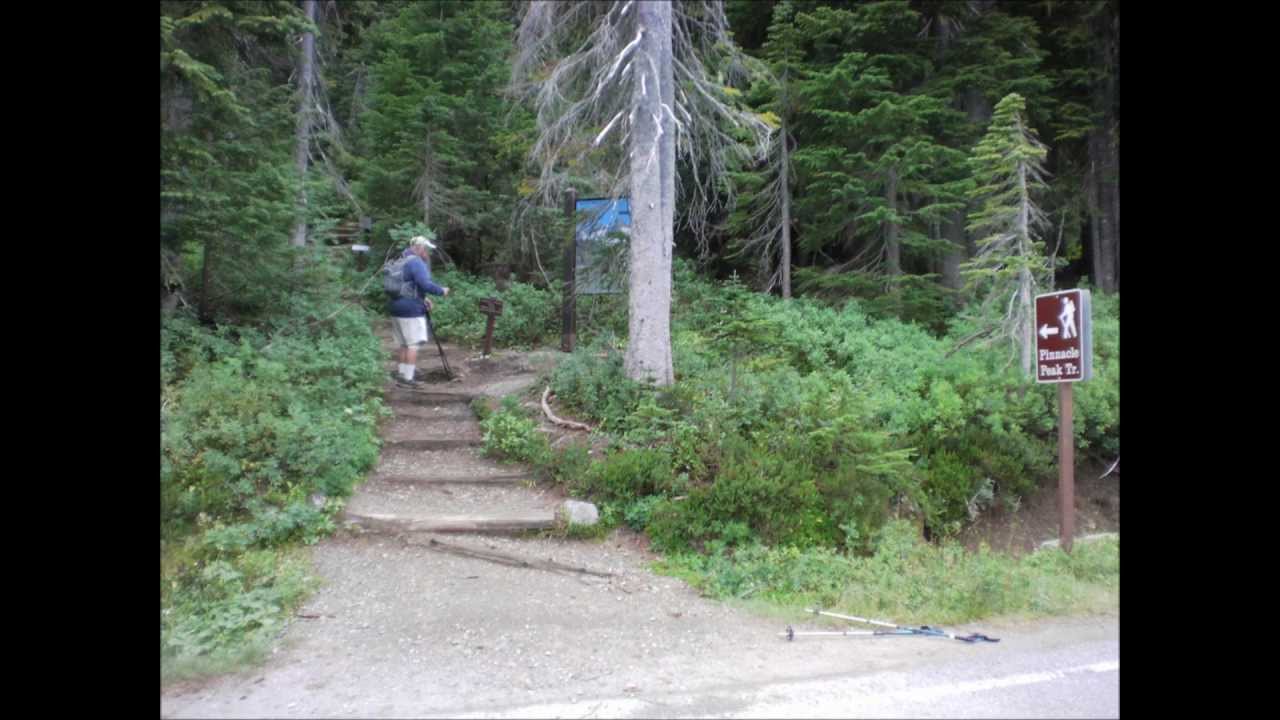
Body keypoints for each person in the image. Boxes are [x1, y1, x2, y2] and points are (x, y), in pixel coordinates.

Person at [389, 234, 450, 387]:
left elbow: (407, 286)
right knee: (413, 344)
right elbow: (425, 284)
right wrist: (441, 291)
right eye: (426, 249)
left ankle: (402, 374)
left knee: (404, 344)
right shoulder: (416, 262)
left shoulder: (400, 260)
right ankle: (408, 379)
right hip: (411, 310)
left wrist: (423, 298)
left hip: (396, 307)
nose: (428, 253)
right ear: (420, 248)